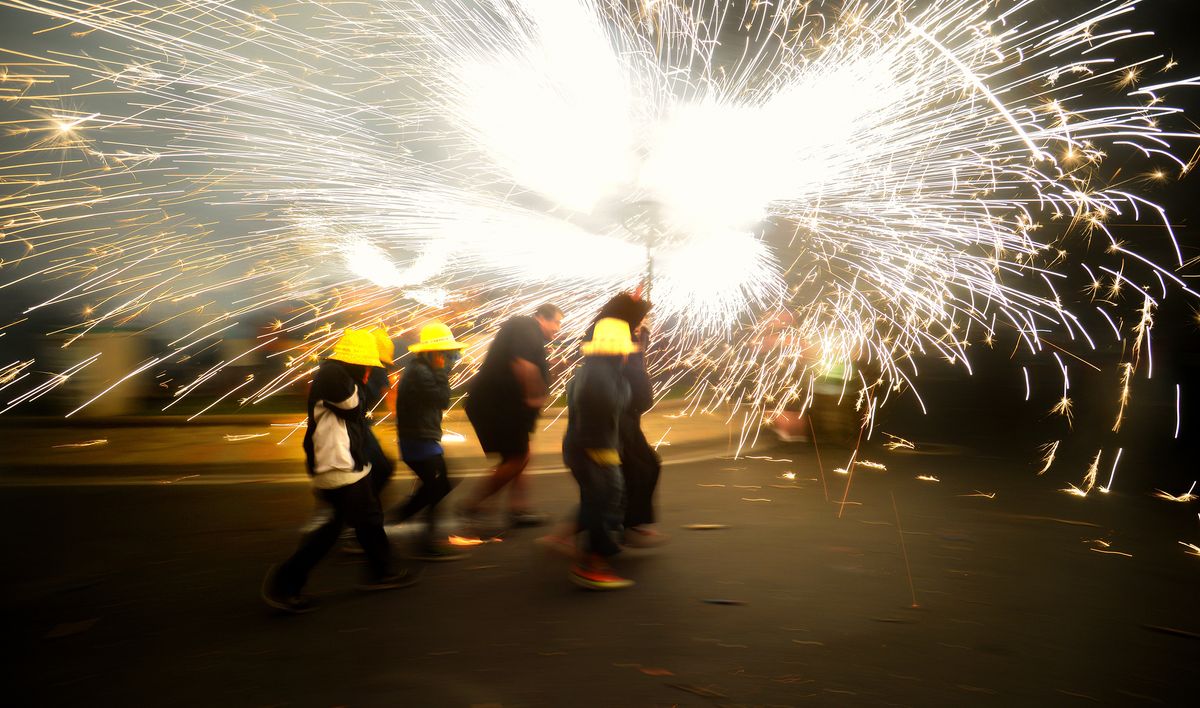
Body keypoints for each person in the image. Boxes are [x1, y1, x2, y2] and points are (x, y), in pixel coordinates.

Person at [262, 329, 416, 613]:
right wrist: (364, 382)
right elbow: (353, 406)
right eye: (369, 365)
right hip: (336, 464)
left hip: (344, 462)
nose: (371, 370)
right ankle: (285, 584)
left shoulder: (339, 374)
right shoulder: (333, 375)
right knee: (339, 528)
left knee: (361, 520)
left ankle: (381, 572)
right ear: (357, 362)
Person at [459, 303, 563, 528]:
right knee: (517, 459)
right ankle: (473, 504)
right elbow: (523, 364)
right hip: (496, 406)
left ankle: (518, 510)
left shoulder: (529, 333)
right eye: (556, 322)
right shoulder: (525, 326)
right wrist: (534, 396)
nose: (558, 328)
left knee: (522, 455)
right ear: (541, 318)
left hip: (504, 406)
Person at [562, 317, 638, 589]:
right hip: (594, 447)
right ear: (618, 351)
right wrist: (602, 453)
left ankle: (588, 555)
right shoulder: (602, 376)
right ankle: (592, 565)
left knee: (600, 500)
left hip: (588, 446)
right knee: (606, 500)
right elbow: (603, 411)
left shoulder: (593, 370)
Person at [389, 322, 469, 560]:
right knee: (437, 486)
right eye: (446, 353)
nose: (450, 357)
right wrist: (444, 373)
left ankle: (397, 521)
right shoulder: (422, 373)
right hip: (417, 439)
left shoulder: (422, 369)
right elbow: (443, 399)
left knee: (439, 485)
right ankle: (423, 540)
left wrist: (441, 371)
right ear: (434, 353)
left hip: (422, 437)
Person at [591, 291, 665, 546]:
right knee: (630, 472)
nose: (644, 321)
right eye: (641, 318)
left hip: (627, 417)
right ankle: (609, 534)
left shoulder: (627, 333)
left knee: (645, 467)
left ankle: (628, 523)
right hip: (618, 419)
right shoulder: (613, 339)